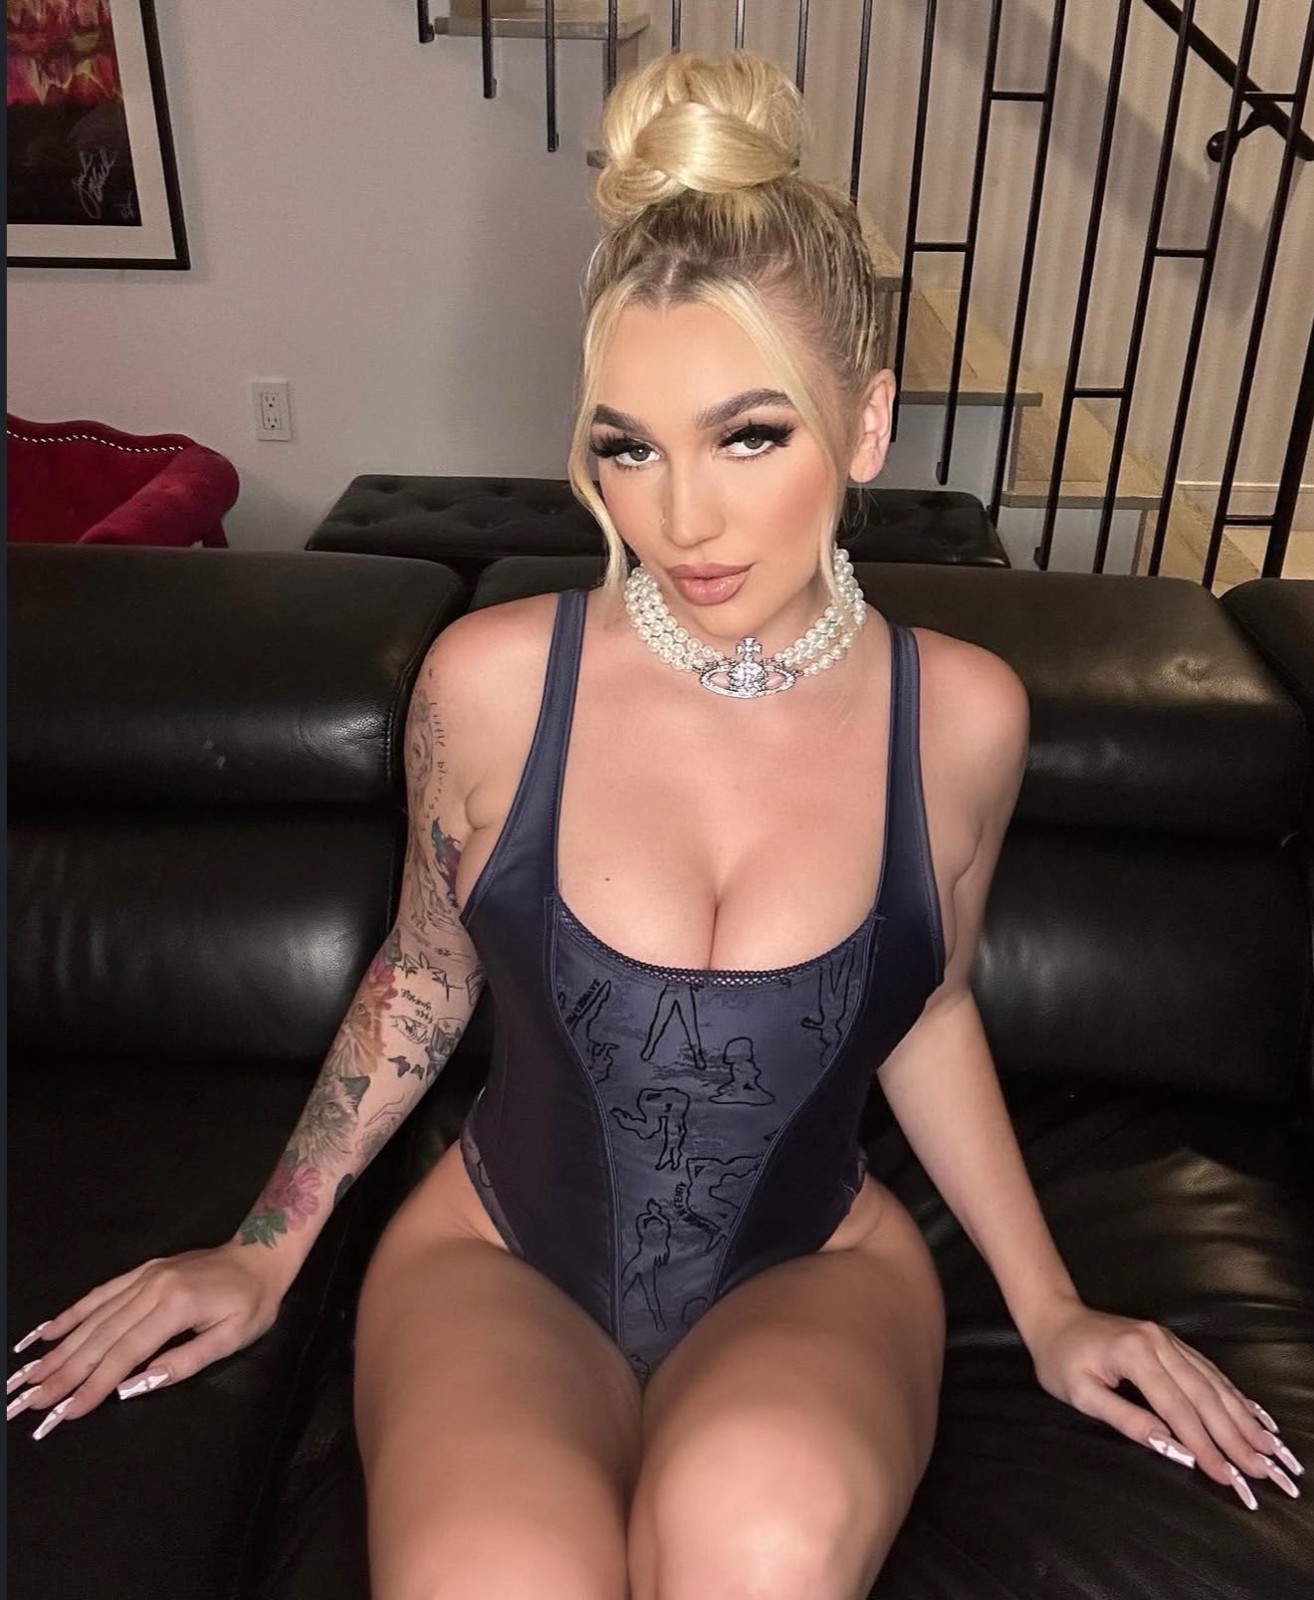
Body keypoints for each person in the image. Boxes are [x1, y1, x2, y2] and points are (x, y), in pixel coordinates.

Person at [8, 47, 1301, 1600]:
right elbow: (423, 977)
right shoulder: (488, 687)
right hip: (501, 1258)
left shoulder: (961, 718)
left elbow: (930, 1002)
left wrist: (1052, 1308)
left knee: (755, 1542)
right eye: (628, 445)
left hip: (809, 1268)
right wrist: (264, 1246)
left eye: (749, 436)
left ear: (865, 425)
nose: (678, 519)